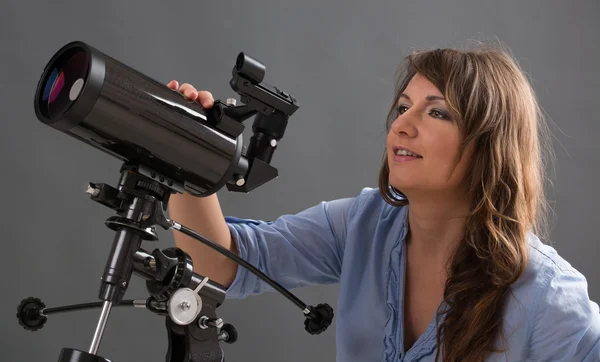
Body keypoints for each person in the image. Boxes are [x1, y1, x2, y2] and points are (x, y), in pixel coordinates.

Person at [165, 44, 600, 361]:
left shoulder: (547, 296)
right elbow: (221, 265)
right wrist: (187, 153)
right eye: (404, 107)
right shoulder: (365, 223)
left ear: (489, 145)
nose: (402, 127)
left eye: (437, 112)